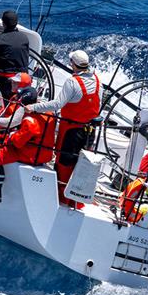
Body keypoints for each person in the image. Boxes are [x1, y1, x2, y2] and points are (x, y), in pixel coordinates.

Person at [26, 50, 101, 209]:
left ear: (73, 64)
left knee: (64, 163)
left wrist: (33, 107)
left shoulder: (72, 82)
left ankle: (63, 199)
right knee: (81, 163)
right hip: (90, 132)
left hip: (71, 131)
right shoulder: (97, 80)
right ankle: (77, 200)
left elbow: (56, 105)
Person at [0, 10, 29, 98]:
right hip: (23, 78)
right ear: (16, 23)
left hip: (4, 80)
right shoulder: (25, 38)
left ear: (3, 23)